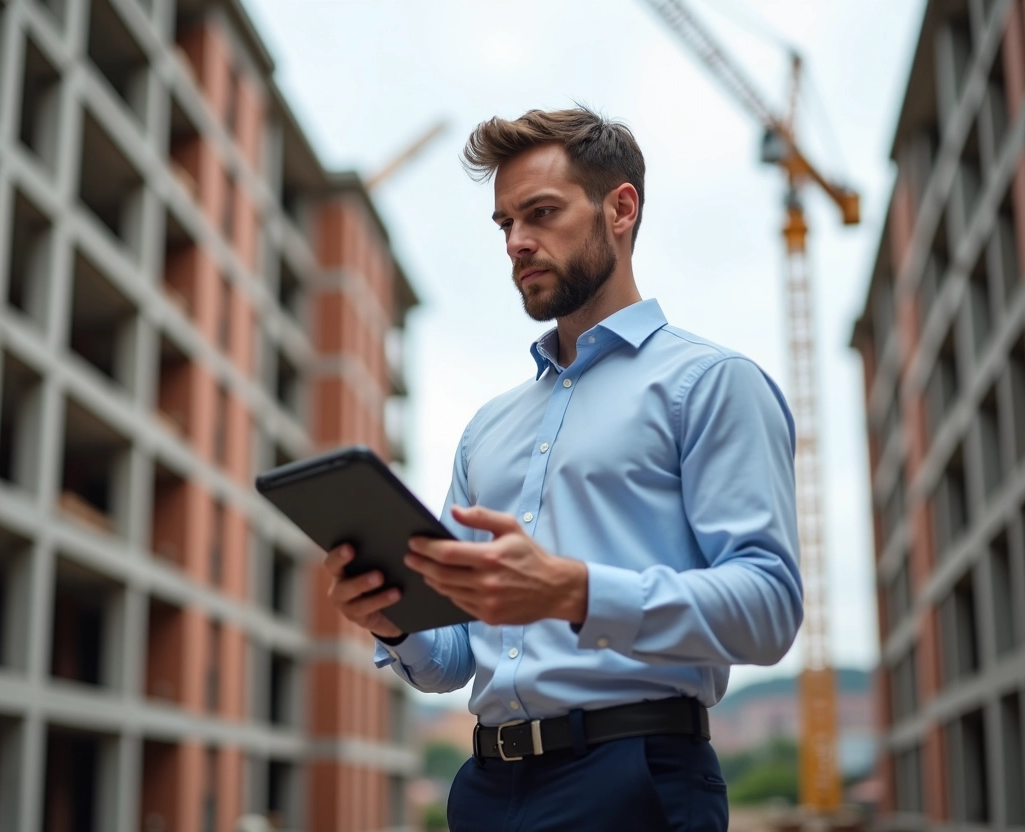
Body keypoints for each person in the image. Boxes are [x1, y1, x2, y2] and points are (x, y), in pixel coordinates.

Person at [322, 106, 803, 831]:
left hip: (635, 781)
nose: (518, 242)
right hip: (485, 789)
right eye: (504, 224)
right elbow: (453, 656)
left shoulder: (710, 384)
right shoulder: (488, 429)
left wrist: (575, 591)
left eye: (541, 213)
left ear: (621, 208)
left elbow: (768, 609)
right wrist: (394, 619)